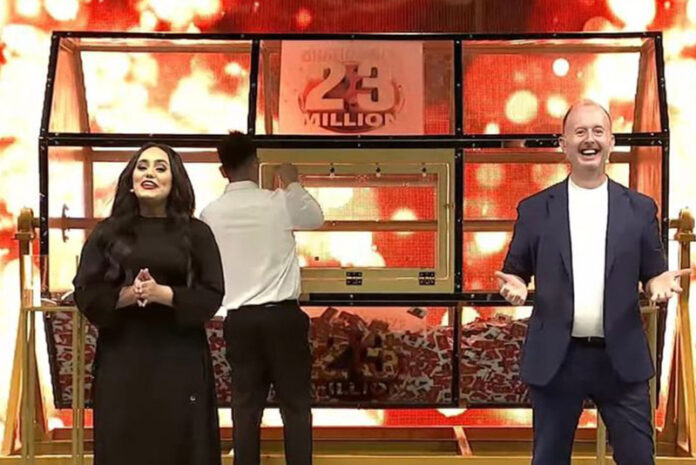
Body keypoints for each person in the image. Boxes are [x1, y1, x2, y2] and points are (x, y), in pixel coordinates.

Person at [495, 99, 691, 465]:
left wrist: (658, 285)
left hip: (621, 358)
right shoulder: (535, 209)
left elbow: (653, 273)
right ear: (563, 144)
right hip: (557, 359)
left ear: (611, 141)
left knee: (638, 459)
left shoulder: (640, 209)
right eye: (580, 132)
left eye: (598, 131)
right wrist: (516, 287)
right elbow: (515, 270)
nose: (590, 139)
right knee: (549, 459)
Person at [73, 143, 225, 465]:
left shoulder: (197, 233)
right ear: (131, 180)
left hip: (180, 359)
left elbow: (212, 293)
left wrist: (164, 294)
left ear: (174, 180)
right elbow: (85, 291)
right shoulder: (107, 232)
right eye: (142, 167)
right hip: (123, 358)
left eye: (160, 167)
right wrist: (128, 295)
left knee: (182, 443)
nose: (149, 173)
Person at [201, 132, 324, 465]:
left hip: (239, 320)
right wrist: (293, 182)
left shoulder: (210, 213)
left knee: (245, 408)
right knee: (295, 407)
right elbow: (315, 218)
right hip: (283, 319)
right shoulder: (278, 202)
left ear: (223, 171)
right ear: (256, 164)